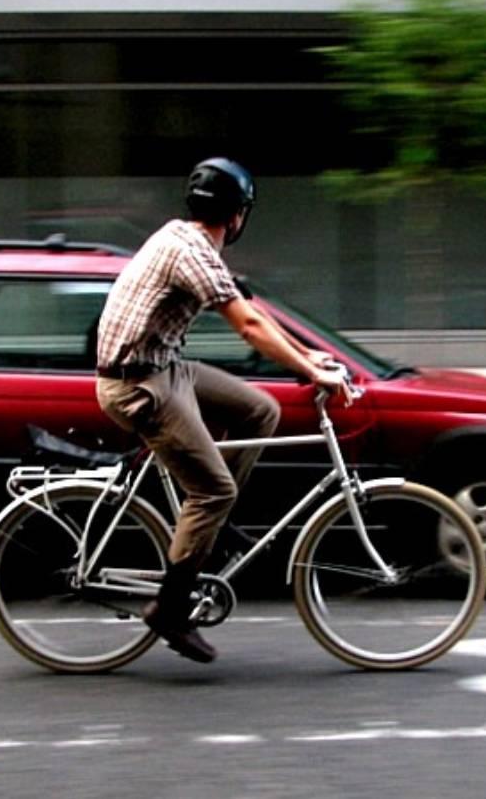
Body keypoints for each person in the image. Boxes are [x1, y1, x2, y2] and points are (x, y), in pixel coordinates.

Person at [94, 157, 352, 663]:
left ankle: (213, 528)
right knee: (213, 488)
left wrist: (308, 358)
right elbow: (249, 328)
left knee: (260, 411)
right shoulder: (190, 253)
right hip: (137, 385)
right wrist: (315, 374)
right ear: (237, 215)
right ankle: (168, 612)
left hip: (162, 367)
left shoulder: (185, 238)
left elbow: (252, 311)